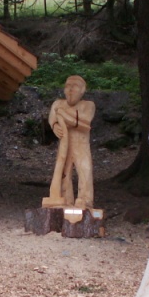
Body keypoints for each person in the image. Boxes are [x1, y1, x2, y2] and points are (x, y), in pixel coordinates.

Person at [44, 75, 95, 208]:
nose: (70, 90)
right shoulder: (58, 104)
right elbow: (52, 119)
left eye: (75, 86)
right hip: (64, 145)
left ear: (82, 90)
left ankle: (85, 198)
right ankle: (65, 198)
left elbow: (85, 122)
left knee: (84, 169)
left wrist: (63, 115)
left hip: (81, 144)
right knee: (64, 172)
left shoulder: (88, 105)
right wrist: (55, 125)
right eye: (67, 86)